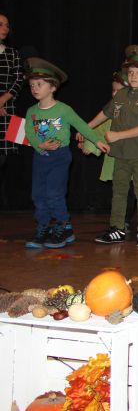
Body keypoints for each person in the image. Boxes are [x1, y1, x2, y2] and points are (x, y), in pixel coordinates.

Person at [23, 58, 109, 248]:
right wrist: (40, 145)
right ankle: (43, 226)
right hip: (40, 157)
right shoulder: (31, 112)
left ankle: (63, 225)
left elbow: (82, 126)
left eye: (39, 84)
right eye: (31, 85)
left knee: (54, 193)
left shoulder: (64, 110)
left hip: (59, 157)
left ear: (53, 87)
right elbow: (29, 132)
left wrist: (97, 140)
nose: (34, 88)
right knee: (38, 194)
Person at [86, 45, 138, 246]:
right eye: (131, 72)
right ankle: (117, 228)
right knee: (119, 191)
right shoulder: (120, 95)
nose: (134, 76)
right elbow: (105, 113)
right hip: (120, 153)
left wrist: (118, 135)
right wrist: (86, 127)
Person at [0, 13, 23, 177]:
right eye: (1, 24)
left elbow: (19, 79)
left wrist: (3, 99)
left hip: (7, 109)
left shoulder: (13, 53)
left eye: (7, 25)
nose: (5, 29)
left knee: (3, 160)